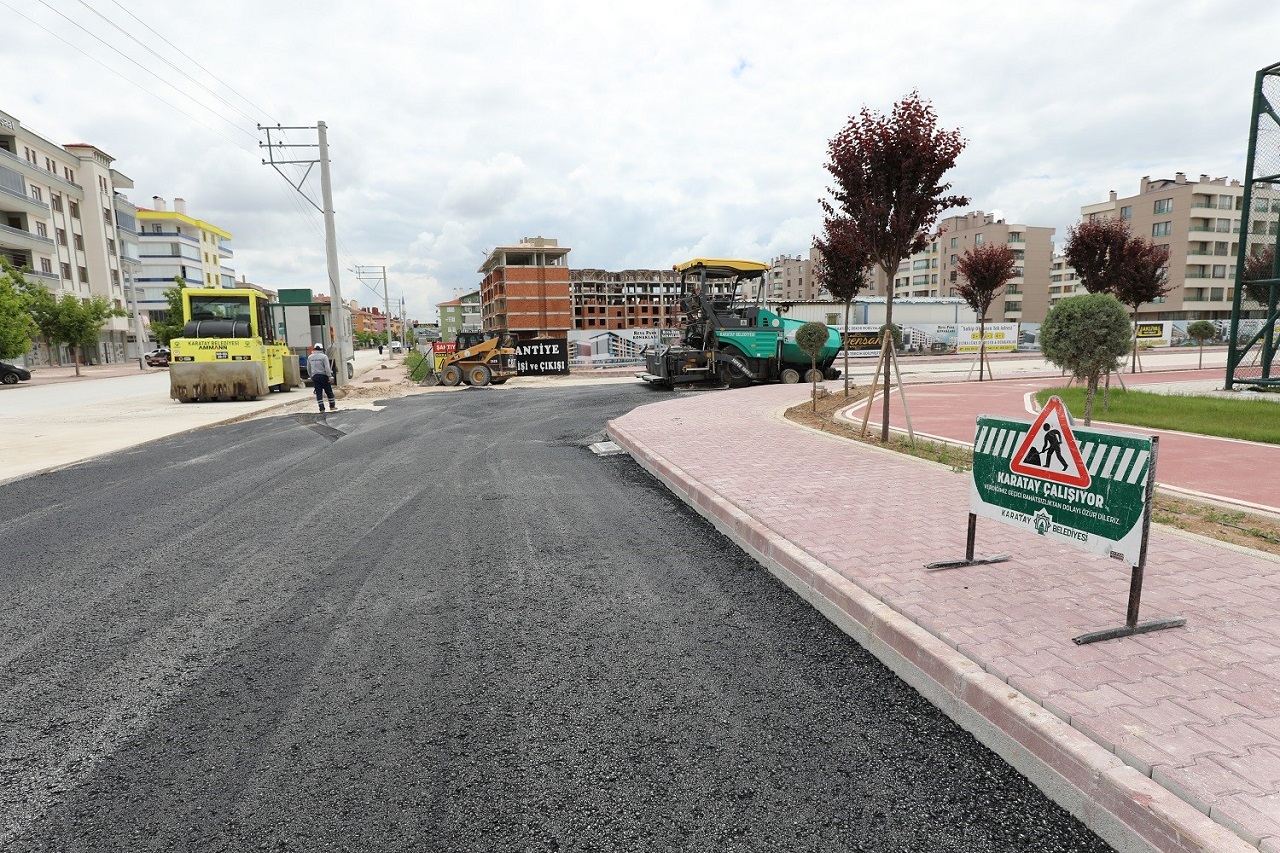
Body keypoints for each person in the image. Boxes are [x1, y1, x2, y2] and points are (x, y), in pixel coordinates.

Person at [307, 342, 337, 413]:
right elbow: (327, 367)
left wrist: (311, 376)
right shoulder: (324, 356)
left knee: (318, 393)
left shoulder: (310, 357)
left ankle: (321, 408)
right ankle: (332, 406)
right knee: (329, 392)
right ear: (321, 349)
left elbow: (308, 368)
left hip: (315, 377)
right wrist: (329, 376)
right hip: (324, 376)